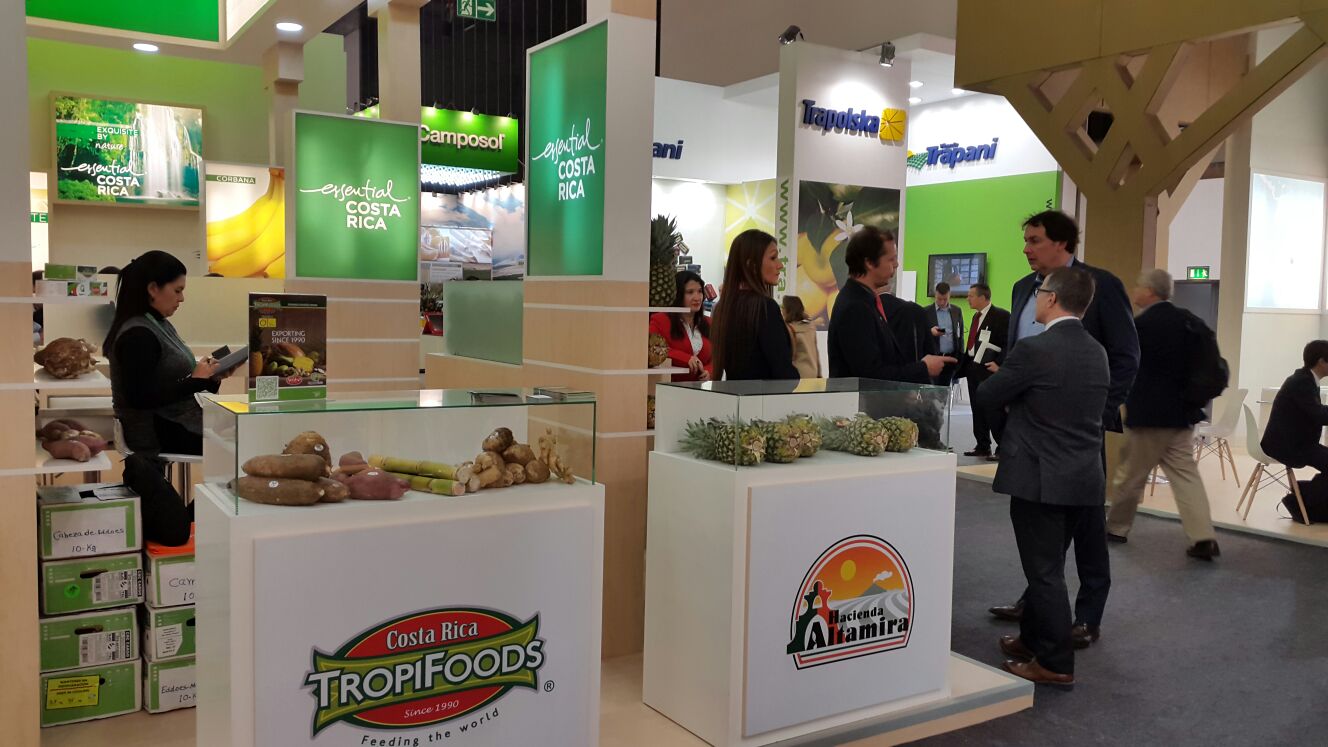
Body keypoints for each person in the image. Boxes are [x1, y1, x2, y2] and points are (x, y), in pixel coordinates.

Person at [987, 210, 1139, 651]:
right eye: (1026, 240)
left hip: (1078, 434)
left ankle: (1087, 616)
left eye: (1034, 240)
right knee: (1042, 527)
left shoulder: (1099, 285)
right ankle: (1038, 603)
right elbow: (1019, 355)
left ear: (1062, 243)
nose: (1026, 248)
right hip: (1030, 432)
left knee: (1087, 527)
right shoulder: (1022, 288)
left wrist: (1098, 413)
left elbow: (1126, 356)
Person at [977, 266, 1109, 686]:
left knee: (1044, 572)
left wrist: (1014, 397)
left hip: (1039, 477)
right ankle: (1032, 639)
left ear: (1051, 298)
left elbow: (987, 394)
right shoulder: (1097, 351)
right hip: (1083, 476)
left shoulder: (1035, 349)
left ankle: (1054, 662)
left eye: (1039, 293)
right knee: (1049, 564)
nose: (1035, 299)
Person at [1106, 269, 1220, 559]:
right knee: (1186, 476)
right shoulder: (1190, 321)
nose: (1134, 290)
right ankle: (1203, 536)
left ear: (1150, 291)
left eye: (1138, 286)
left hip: (1148, 416)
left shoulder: (1141, 326)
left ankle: (1117, 527)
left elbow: (1128, 366)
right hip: (1182, 414)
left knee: (1130, 476)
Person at [106, 251, 228, 457]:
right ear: (153, 289)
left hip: (175, 423)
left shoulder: (158, 324)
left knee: (246, 428)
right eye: (177, 290)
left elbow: (168, 382)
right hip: (156, 432)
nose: (182, 298)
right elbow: (140, 397)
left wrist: (209, 378)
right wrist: (196, 381)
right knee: (244, 438)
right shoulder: (138, 335)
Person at [828, 226, 954, 384]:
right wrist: (923, 368)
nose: (896, 264)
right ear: (869, 262)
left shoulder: (864, 300)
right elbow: (870, 375)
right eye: (891, 259)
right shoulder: (855, 307)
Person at [711, 229, 799, 381]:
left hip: (733, 394)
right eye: (773, 258)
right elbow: (783, 370)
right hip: (767, 395)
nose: (780, 265)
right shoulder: (765, 307)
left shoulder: (722, 308)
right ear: (751, 265)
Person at [1261, 340, 1328, 474]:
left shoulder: (1305, 378)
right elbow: (1319, 415)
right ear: (1321, 361)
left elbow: (1315, 411)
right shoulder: (1302, 382)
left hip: (1295, 443)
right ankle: (1305, 488)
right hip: (1287, 447)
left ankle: (1305, 488)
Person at [962, 283, 1010, 459]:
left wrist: (999, 364)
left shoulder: (1001, 316)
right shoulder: (976, 317)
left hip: (990, 370)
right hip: (973, 368)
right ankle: (982, 445)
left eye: (971, 296)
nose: (967, 299)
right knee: (977, 408)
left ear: (982, 297)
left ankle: (1003, 447)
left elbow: (1008, 343)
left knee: (993, 409)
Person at [649, 270, 712, 383]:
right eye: (690, 292)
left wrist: (709, 371)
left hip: (701, 389)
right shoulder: (660, 320)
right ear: (678, 294)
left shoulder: (709, 322)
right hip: (669, 387)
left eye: (699, 291)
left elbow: (717, 357)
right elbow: (654, 348)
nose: (697, 297)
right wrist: (685, 358)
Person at [926, 282, 964, 385]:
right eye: (939, 299)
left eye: (945, 299)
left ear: (949, 295)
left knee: (946, 390)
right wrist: (930, 332)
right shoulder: (926, 311)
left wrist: (960, 358)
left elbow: (960, 335)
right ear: (935, 294)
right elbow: (920, 335)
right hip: (933, 359)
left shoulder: (957, 311)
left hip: (951, 359)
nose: (942, 302)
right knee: (931, 390)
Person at [782, 295, 822, 378]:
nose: (781, 310)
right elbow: (816, 353)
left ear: (788, 309)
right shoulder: (811, 326)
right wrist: (819, 374)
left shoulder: (789, 329)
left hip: (798, 374)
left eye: (783, 307)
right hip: (813, 372)